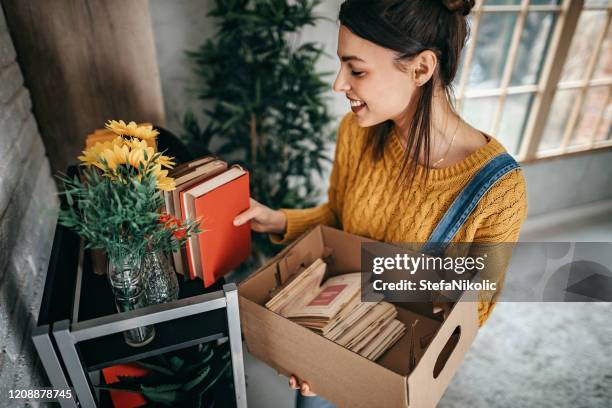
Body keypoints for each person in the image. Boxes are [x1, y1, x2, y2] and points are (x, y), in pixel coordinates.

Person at [233, 0, 528, 406]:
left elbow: (468, 315)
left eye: (356, 70)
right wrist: (278, 220)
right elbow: (338, 219)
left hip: (396, 373)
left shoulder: (499, 192)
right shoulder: (356, 133)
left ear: (421, 69)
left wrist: (355, 372)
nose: (339, 84)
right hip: (325, 346)